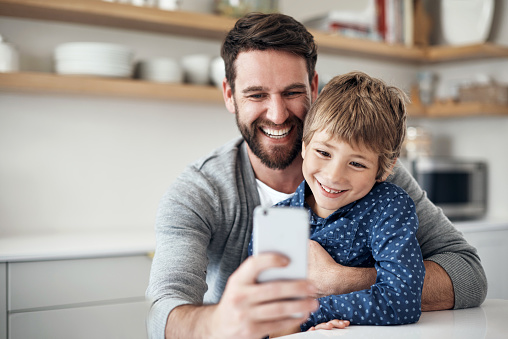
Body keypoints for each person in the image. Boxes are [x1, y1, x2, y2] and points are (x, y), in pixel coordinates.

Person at [146, 12, 487, 339]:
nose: (277, 115)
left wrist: (338, 280)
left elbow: (470, 276)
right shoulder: (199, 193)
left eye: (292, 92)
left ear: (313, 86)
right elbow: (164, 312)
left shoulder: (373, 177)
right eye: (256, 94)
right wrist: (222, 322)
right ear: (229, 95)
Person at [248, 71, 425, 337]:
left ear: (385, 168)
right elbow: (255, 311)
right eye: (323, 152)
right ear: (305, 147)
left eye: (356, 163)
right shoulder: (276, 219)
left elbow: (403, 299)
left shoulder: (390, 206)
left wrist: (313, 314)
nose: (333, 176)